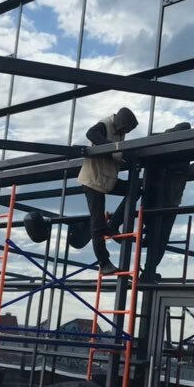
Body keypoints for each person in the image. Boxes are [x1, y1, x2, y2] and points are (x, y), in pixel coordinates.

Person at [141, 122, 194, 282]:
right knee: (156, 236)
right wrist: (186, 168)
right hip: (156, 198)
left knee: (160, 237)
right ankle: (148, 270)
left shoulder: (189, 145)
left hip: (169, 199)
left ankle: (149, 270)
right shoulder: (161, 140)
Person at [76, 107, 138, 275]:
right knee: (97, 224)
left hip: (106, 179)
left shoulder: (119, 131)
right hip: (92, 181)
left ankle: (113, 224)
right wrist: (112, 149)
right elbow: (90, 134)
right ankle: (104, 263)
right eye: (126, 129)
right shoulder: (104, 125)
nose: (125, 132)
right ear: (121, 123)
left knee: (135, 190)